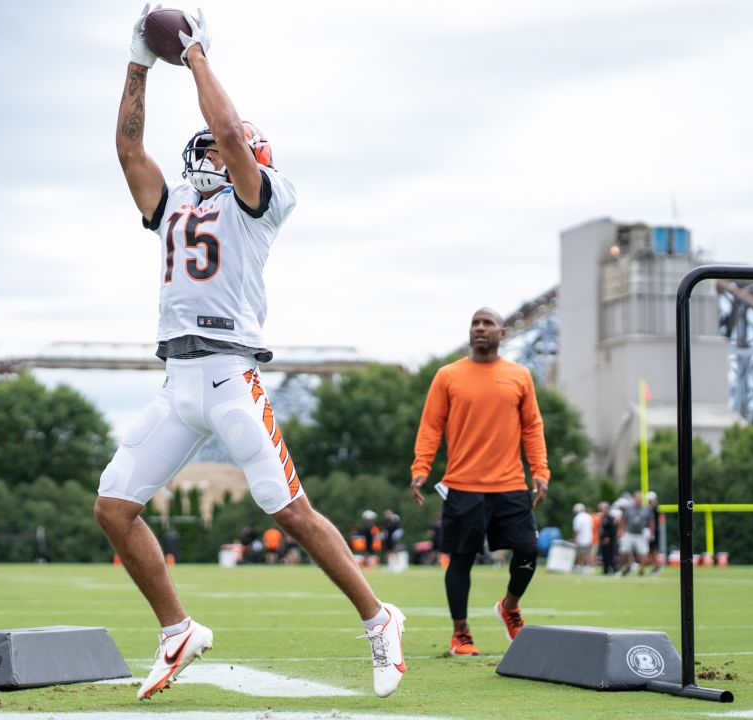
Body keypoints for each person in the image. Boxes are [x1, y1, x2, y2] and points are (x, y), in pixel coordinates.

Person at [97, 6, 406, 700]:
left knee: (287, 509)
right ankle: (177, 630)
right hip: (177, 378)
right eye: (203, 147)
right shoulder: (174, 202)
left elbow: (232, 133)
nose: (209, 150)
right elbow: (127, 148)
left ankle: (379, 617)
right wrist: (139, 61)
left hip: (231, 375)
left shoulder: (261, 200)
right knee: (115, 506)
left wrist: (197, 55)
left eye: (219, 148)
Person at [410, 307, 550, 657]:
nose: (480, 328)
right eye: (475, 323)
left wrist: (541, 471)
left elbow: (533, 427)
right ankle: (461, 634)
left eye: (488, 323)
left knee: (528, 551)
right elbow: (431, 425)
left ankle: (510, 607)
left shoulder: (520, 376)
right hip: (463, 486)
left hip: (511, 485)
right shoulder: (447, 375)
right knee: (460, 560)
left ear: (502, 333)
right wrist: (421, 466)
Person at [618, 492, 654, 577]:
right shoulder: (629, 508)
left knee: (643, 552)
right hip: (629, 532)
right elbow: (624, 520)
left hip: (640, 534)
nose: (639, 500)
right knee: (624, 550)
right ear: (634, 499)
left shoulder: (647, 508)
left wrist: (651, 532)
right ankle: (628, 566)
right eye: (637, 498)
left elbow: (651, 521)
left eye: (640, 499)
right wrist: (621, 530)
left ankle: (641, 570)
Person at [571, 502, 593, 571]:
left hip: (581, 539)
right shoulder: (588, 516)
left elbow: (576, 530)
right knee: (587, 554)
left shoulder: (578, 518)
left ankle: (579, 566)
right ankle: (586, 566)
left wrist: (574, 539)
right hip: (589, 538)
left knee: (579, 554)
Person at [599, 502, 619, 574]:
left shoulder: (611, 518)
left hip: (610, 541)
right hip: (604, 541)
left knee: (612, 556)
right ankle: (605, 570)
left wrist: (608, 537)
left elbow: (613, 530)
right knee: (605, 556)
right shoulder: (603, 518)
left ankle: (615, 570)